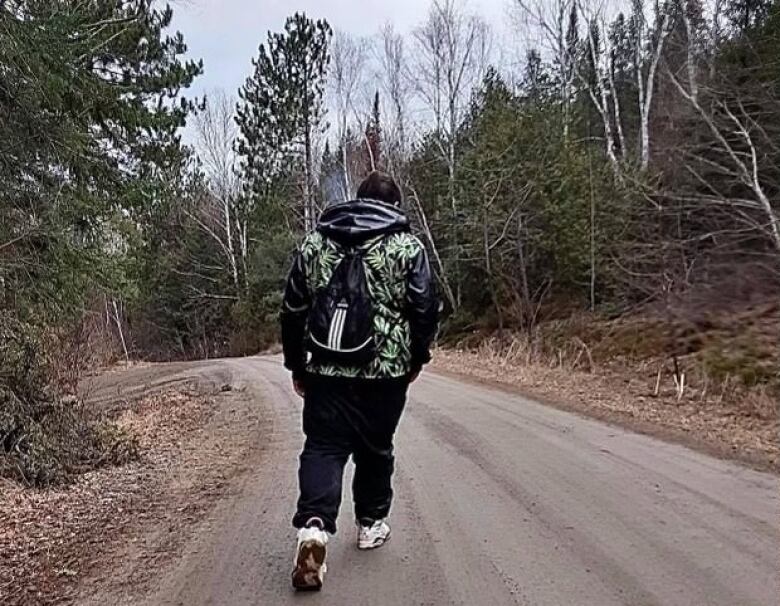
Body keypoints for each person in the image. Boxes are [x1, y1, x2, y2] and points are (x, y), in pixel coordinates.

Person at [281, 171, 438, 591]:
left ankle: (313, 528)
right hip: (385, 374)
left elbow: (292, 309)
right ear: (395, 206)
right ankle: (369, 525)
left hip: (325, 372)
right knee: (375, 448)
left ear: (358, 200)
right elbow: (426, 308)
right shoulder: (407, 247)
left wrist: (297, 365)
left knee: (323, 448)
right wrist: (416, 358)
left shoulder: (316, 243)